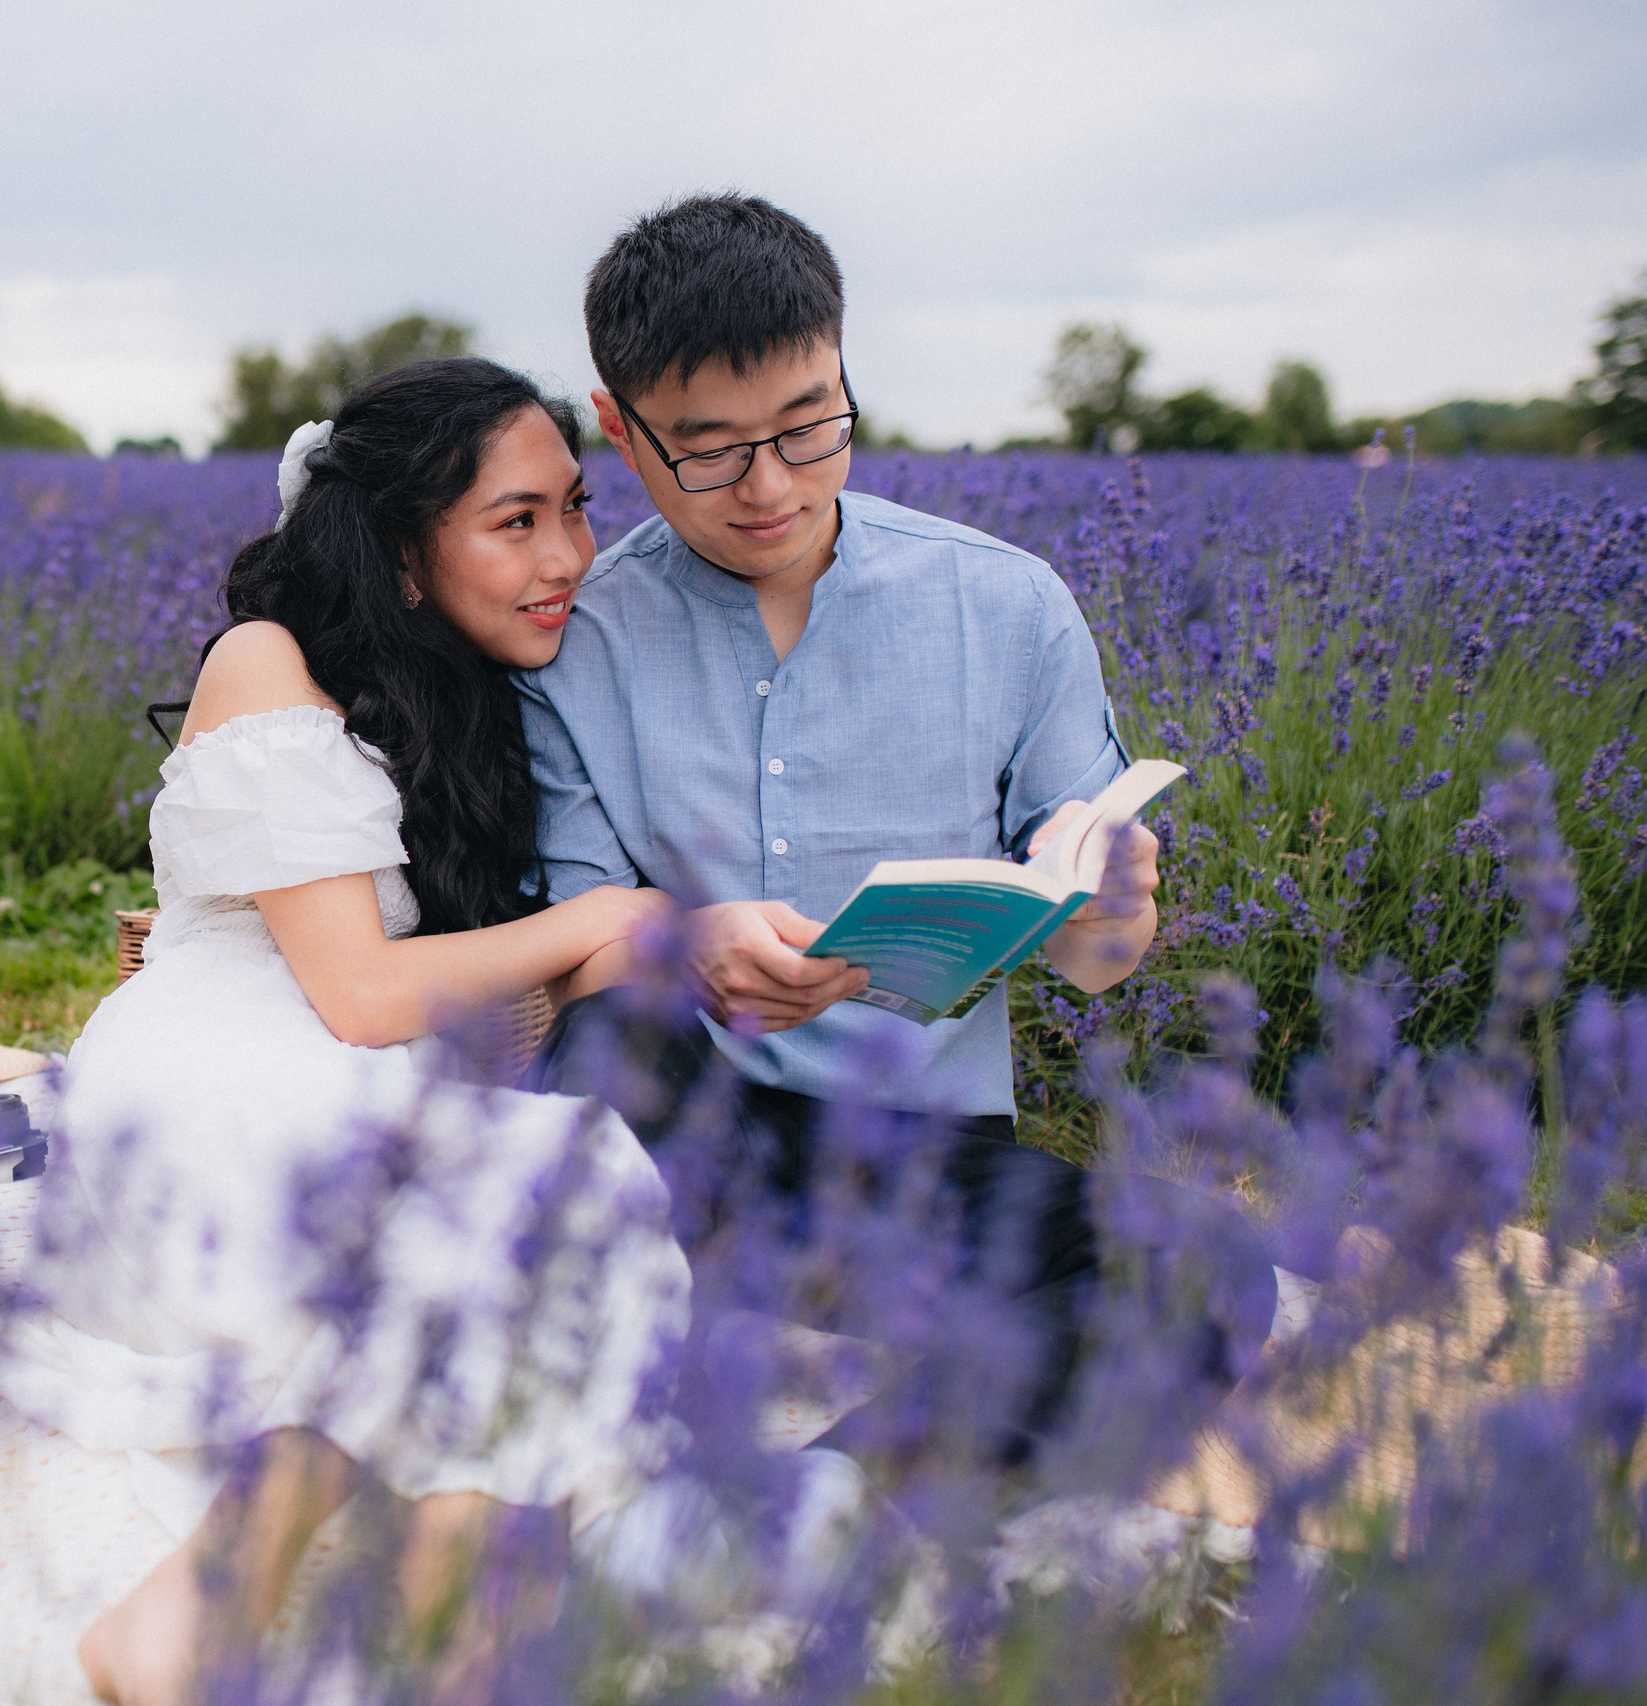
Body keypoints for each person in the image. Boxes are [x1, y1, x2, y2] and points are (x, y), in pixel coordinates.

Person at [521, 193, 1273, 1457]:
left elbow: (1090, 956)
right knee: (612, 1030)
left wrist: (1112, 913)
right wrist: (690, 942)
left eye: (809, 425)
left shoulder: (1006, 604)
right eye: (707, 447)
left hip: (922, 1160)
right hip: (687, 1138)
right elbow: (575, 938)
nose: (771, 486)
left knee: (1209, 1276)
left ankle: (838, 1486)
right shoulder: (570, 635)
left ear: (842, 370)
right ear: (619, 428)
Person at [0, 359, 692, 1706]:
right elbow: (361, 989)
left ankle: (223, 1618)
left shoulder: (466, 690)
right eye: (517, 519)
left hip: (334, 1079)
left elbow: (443, 996)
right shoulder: (268, 661)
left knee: (510, 1211)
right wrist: (604, 913)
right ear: (399, 547)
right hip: (208, 1077)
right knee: (537, 1194)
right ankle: (468, 1650)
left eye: (575, 508)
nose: (568, 556)